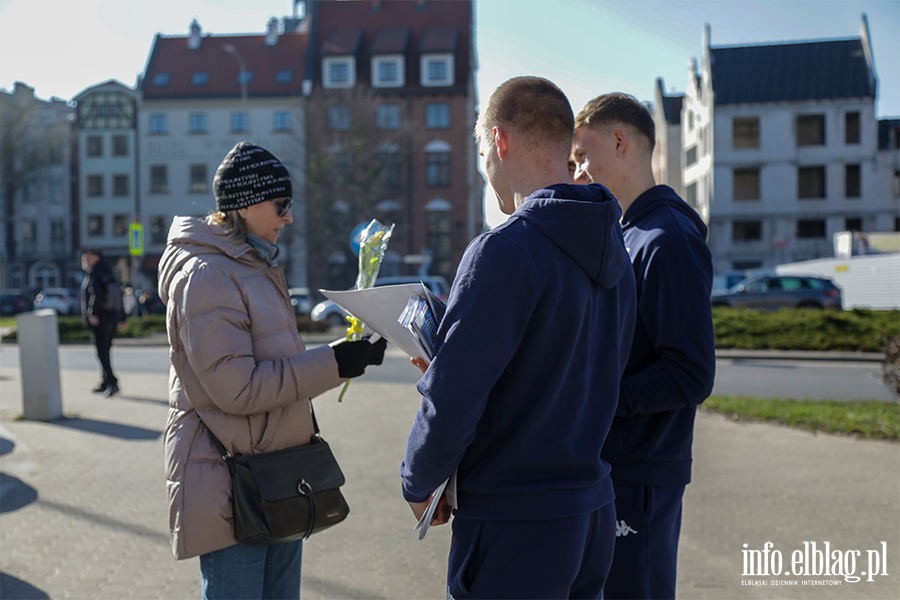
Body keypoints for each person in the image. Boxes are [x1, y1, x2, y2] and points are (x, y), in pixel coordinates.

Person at [401, 77, 636, 600]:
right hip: (591, 511)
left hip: (515, 523)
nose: (485, 166)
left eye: (483, 150)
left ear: (500, 142)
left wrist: (419, 482)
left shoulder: (505, 250)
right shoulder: (614, 248)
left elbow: (454, 395)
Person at [158, 141, 386, 600]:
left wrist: (346, 357)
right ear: (246, 204)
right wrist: (334, 363)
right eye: (282, 205)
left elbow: (278, 368)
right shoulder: (208, 275)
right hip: (232, 483)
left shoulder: (253, 266)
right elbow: (237, 390)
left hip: (276, 475)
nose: (289, 217)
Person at [571, 93, 716, 600]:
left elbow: (691, 372)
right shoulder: (627, 233)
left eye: (583, 155)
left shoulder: (668, 239)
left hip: (642, 469)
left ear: (620, 141)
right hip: (615, 462)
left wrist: (599, 400)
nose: (579, 172)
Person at [80, 247, 126, 397]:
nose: (85, 260)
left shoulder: (95, 273)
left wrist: (93, 314)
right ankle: (105, 381)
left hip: (100, 319)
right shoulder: (109, 272)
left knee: (101, 353)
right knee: (105, 351)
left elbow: (96, 294)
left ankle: (112, 382)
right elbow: (120, 295)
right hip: (112, 317)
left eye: (87, 257)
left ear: (95, 257)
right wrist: (122, 317)